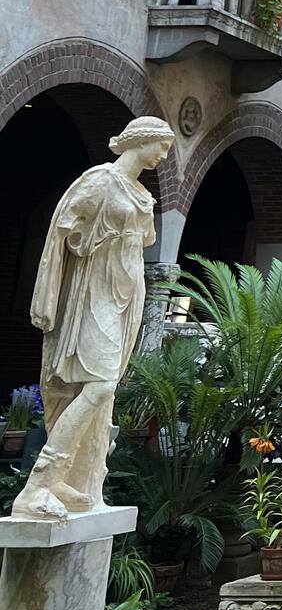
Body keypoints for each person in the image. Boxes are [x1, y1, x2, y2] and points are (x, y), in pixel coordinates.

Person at [13, 116, 172, 519]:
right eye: (162, 145)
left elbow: (143, 243)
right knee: (97, 386)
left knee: (105, 392)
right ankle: (39, 484)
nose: (164, 155)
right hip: (93, 292)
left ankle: (80, 481)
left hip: (127, 294)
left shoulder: (140, 192)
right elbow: (60, 234)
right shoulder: (99, 180)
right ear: (142, 141)